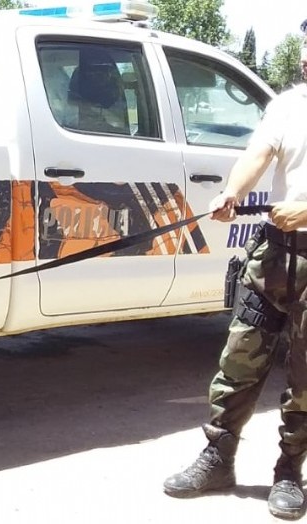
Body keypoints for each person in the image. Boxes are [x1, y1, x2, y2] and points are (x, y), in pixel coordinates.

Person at [163, 46, 307, 520]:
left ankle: (289, 471)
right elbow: (258, 153)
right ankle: (218, 457)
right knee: (240, 358)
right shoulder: (288, 104)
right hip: (275, 253)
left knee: (306, 376)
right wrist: (232, 191)